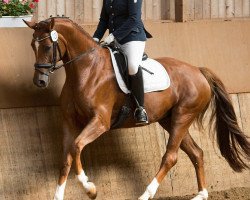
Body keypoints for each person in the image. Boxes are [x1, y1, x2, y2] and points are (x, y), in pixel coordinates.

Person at [93, 0, 152, 125]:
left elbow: (134, 18)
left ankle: (140, 109)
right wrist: (95, 38)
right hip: (114, 40)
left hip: (132, 37)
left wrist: (114, 36)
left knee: (132, 66)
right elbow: (104, 20)